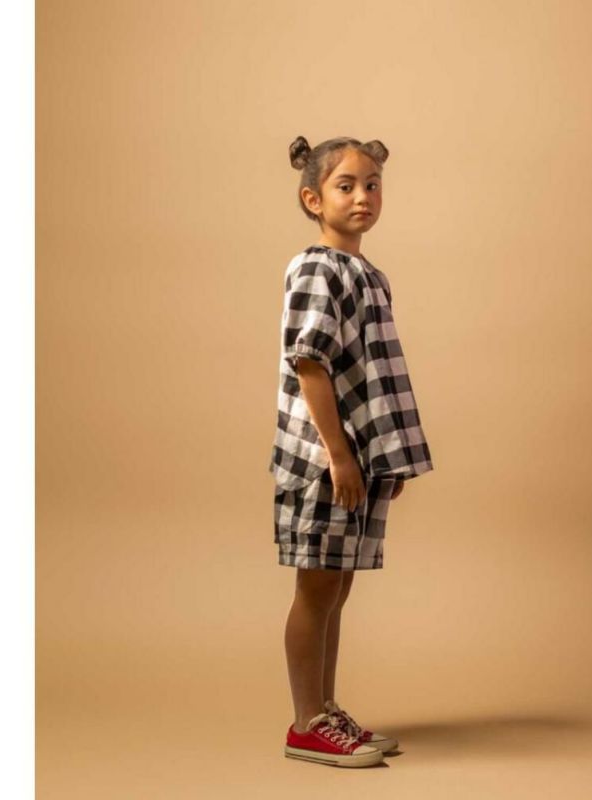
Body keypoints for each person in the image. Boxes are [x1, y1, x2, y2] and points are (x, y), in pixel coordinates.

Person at [268, 135, 434, 768]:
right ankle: (305, 724)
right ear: (313, 199)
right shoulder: (316, 268)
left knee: (335, 589)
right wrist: (338, 456)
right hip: (320, 461)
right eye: (346, 186)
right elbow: (310, 363)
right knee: (316, 590)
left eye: (372, 184)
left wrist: (384, 457)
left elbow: (372, 371)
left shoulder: (368, 274)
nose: (363, 196)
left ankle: (324, 709)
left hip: (357, 458)